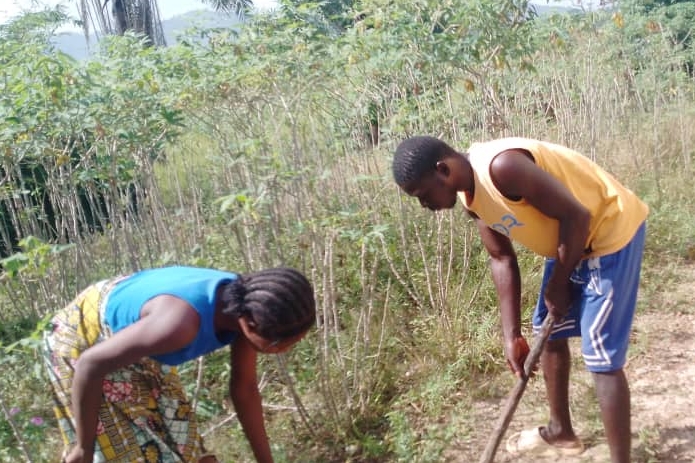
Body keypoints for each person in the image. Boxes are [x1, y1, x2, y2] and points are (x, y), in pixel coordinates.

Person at [392, 136, 648, 463]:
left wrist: (557, 284)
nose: (423, 205)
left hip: (609, 232)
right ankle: (561, 432)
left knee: (600, 355)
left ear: (443, 170)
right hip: (571, 242)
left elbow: (578, 216)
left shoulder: (502, 167)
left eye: (422, 194)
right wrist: (511, 334)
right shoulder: (471, 198)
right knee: (549, 333)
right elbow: (501, 258)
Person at [43, 265, 316, 463]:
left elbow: (244, 389)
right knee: (128, 454)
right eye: (285, 344)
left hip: (138, 342)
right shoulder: (179, 326)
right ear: (251, 325)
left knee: (184, 445)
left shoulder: (249, 305)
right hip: (84, 341)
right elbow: (90, 364)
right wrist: (84, 447)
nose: (286, 350)